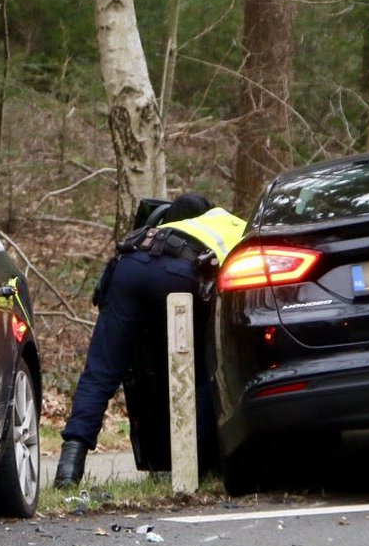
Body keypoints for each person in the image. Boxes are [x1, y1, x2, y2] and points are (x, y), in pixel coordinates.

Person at [54, 193, 247, 486]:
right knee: (208, 369)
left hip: (129, 266)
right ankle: (198, 465)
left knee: (101, 370)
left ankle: (69, 465)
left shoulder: (162, 228)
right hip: (183, 273)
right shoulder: (233, 225)